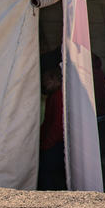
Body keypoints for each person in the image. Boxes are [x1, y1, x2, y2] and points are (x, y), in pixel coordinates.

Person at [38, 53, 66, 190]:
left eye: (45, 80)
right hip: (55, 142)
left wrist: (45, 145)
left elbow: (57, 127)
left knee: (44, 169)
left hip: (57, 144)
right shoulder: (54, 94)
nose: (43, 84)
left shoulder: (57, 96)